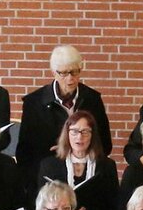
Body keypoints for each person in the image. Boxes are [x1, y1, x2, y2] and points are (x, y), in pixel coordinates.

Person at [16, 46, 110, 195]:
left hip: (84, 176)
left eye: (74, 72)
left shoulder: (92, 99)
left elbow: (105, 144)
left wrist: (80, 149)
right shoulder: (34, 103)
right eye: (64, 73)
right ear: (54, 72)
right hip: (48, 179)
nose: (70, 78)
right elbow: (25, 152)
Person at [37, 109, 121, 210]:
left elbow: (114, 208)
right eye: (74, 131)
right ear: (67, 133)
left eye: (85, 132)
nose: (79, 137)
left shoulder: (106, 166)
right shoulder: (49, 165)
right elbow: (40, 206)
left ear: (93, 135)